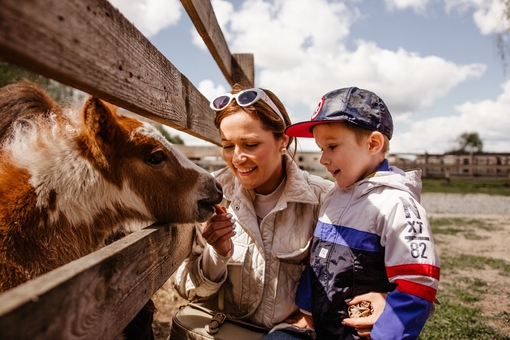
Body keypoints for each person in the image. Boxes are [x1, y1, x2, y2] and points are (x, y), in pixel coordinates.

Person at [173, 84, 383, 339]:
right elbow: (186, 289)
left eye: (250, 144)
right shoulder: (210, 197)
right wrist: (216, 255)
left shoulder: (325, 200)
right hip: (218, 330)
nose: (237, 158)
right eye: (228, 145)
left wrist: (385, 299)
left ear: (283, 139)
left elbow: (383, 270)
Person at [284, 87, 441, 339]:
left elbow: (417, 283)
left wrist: (385, 334)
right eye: (321, 148)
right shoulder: (333, 197)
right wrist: (306, 311)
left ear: (373, 144)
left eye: (332, 146)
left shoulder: (397, 204)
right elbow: (317, 260)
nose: (323, 159)